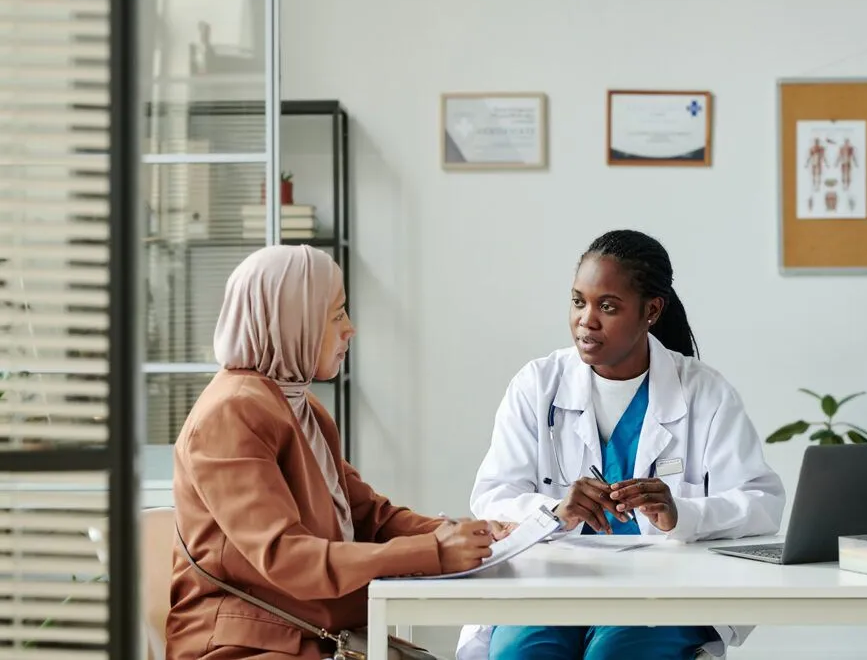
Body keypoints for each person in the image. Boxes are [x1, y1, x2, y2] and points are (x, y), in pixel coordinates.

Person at [457, 230, 786, 660]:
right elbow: (492, 497)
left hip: (661, 594)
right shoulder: (537, 385)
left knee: (614, 655)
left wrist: (680, 514)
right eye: (579, 302)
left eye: (607, 307)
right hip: (550, 586)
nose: (586, 320)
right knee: (523, 654)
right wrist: (556, 513)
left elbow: (761, 502)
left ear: (651, 311)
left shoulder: (704, 393)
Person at [166, 245, 505, 660]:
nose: (351, 329)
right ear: (294, 322)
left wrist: (465, 532)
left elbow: (368, 515)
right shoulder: (232, 413)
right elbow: (285, 557)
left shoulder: (298, 405)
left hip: (305, 629)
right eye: (336, 314)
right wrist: (434, 552)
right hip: (246, 643)